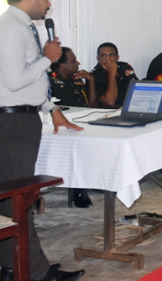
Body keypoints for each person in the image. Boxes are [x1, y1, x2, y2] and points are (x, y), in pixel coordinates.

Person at [0, 0, 85, 281]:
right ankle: (32, 272)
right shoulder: (11, 28)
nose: (48, 3)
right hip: (12, 123)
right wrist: (48, 59)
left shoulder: (19, 25)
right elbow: (15, 82)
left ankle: (15, 269)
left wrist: (50, 109)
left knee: (16, 202)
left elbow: (28, 82)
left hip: (20, 118)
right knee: (19, 202)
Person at [50, 47, 97, 209]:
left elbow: (92, 105)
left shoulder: (76, 79)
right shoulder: (50, 81)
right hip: (61, 127)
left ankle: (95, 180)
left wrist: (90, 81)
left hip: (83, 122)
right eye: (73, 61)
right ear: (62, 65)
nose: (78, 63)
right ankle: (79, 189)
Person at [90, 42, 138, 108]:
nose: (108, 59)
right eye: (103, 55)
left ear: (117, 57)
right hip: (109, 113)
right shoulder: (94, 75)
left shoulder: (125, 67)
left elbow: (137, 89)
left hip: (132, 108)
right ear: (98, 58)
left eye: (111, 55)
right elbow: (109, 102)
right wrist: (112, 73)